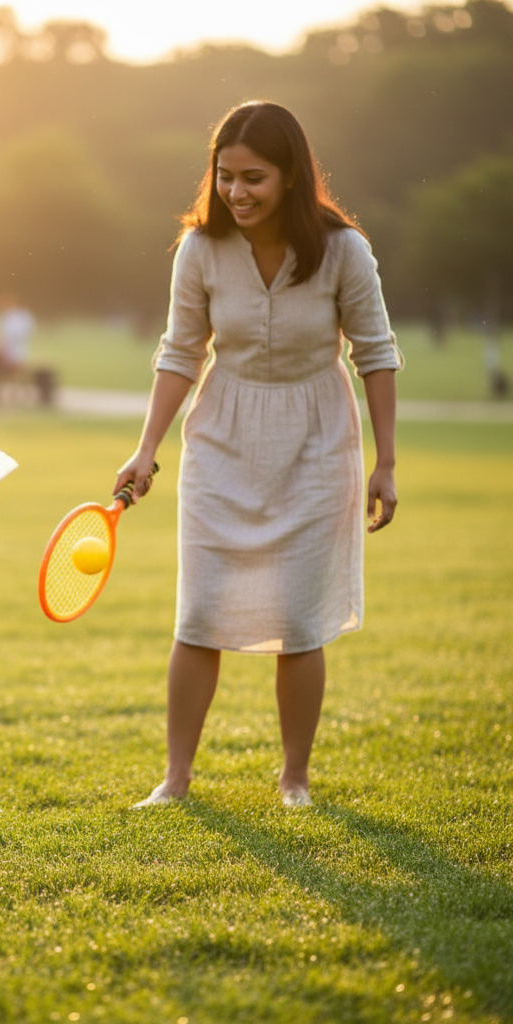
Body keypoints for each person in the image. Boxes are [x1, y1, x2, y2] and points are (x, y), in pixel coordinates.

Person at [116, 101, 403, 809]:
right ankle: (176, 779)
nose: (237, 193)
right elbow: (181, 351)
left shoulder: (344, 251)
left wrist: (386, 462)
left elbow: (378, 354)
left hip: (317, 441)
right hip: (221, 438)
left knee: (300, 620)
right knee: (200, 613)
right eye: (225, 177)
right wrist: (146, 449)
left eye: (254, 178)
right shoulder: (199, 250)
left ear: (293, 178)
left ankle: (294, 779)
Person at [0, 293, 36, 402]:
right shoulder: (7, 317)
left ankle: (15, 396)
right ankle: (11, 396)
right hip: (13, 350)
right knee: (13, 374)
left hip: (15, 350)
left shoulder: (18, 317)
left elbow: (11, 336)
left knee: (16, 373)